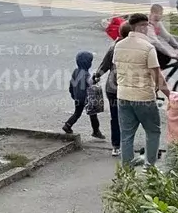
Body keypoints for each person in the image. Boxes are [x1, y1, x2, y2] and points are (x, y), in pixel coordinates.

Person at [114, 13, 170, 166]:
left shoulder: (118, 45)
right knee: (153, 131)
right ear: (141, 27)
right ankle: (149, 167)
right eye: (146, 26)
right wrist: (170, 96)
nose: (148, 29)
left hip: (123, 96)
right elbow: (158, 77)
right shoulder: (148, 48)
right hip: (144, 97)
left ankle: (126, 170)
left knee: (126, 134)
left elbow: (118, 69)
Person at [94, 21, 130, 157]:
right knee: (129, 117)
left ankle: (116, 146)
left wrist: (96, 76)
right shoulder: (134, 48)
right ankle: (126, 144)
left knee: (115, 117)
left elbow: (104, 66)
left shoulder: (113, 47)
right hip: (126, 88)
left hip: (112, 89)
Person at [63, 51, 104, 138]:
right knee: (93, 114)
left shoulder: (75, 72)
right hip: (86, 98)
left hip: (77, 97)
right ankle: (96, 131)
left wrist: (73, 94)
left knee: (77, 113)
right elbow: (90, 83)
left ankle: (67, 125)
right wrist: (96, 79)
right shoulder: (86, 74)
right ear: (87, 63)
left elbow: (71, 84)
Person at [146, 4, 178, 71]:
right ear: (152, 13)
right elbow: (155, 42)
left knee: (165, 58)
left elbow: (167, 37)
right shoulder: (147, 24)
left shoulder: (158, 23)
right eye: (158, 14)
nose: (160, 16)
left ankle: (157, 74)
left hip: (150, 48)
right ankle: (155, 75)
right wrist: (170, 54)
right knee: (164, 57)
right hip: (143, 49)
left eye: (161, 14)